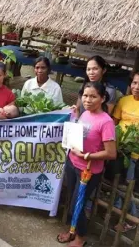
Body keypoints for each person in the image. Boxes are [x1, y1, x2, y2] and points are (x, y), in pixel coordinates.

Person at [57, 81, 116, 247]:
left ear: (103, 98)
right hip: (73, 163)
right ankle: (72, 231)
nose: (88, 100)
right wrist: (75, 116)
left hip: (88, 171)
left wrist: (87, 155)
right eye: (85, 95)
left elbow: (111, 153)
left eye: (93, 96)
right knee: (72, 201)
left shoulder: (106, 122)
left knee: (78, 204)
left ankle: (80, 238)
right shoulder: (84, 113)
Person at [112, 71, 139, 232]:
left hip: (134, 154)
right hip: (118, 150)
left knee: (127, 185)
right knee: (115, 181)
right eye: (135, 83)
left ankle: (132, 218)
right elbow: (115, 124)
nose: (137, 87)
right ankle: (118, 211)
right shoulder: (123, 101)